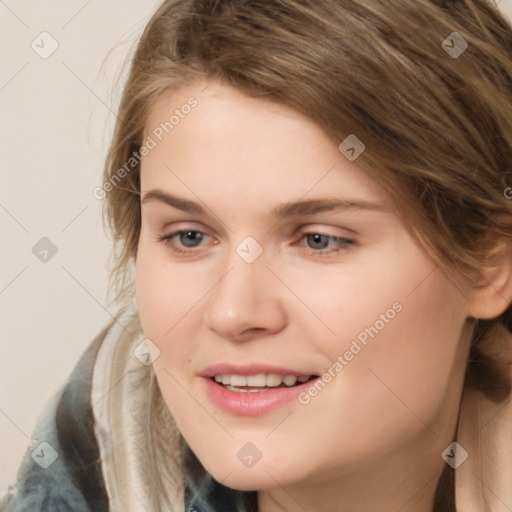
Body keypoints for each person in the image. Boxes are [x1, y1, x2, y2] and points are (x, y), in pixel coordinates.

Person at [2, 0, 512, 511]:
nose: (233, 312)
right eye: (189, 236)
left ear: (490, 264)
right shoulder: (95, 442)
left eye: (319, 239)